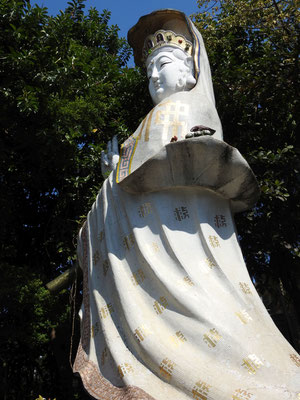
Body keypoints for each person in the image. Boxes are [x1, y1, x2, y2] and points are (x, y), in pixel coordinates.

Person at [73, 9, 300, 400]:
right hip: (146, 245)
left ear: (192, 66)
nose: (155, 78)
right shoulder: (145, 123)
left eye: (163, 64)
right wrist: (113, 175)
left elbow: (189, 161)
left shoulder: (190, 109)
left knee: (208, 315)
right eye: (148, 74)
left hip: (184, 247)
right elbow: (131, 177)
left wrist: (129, 171)